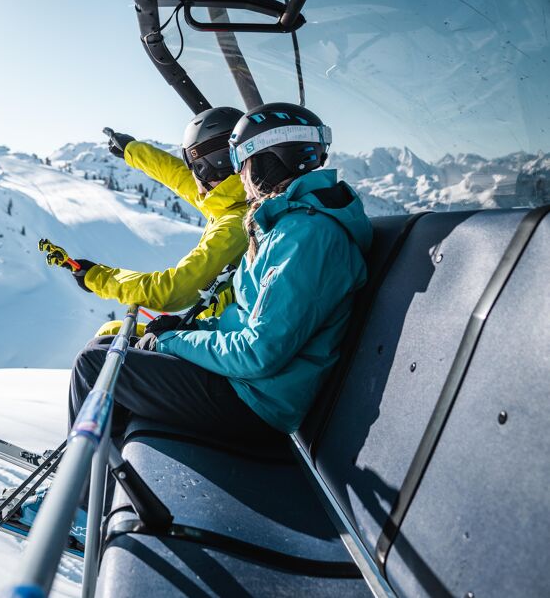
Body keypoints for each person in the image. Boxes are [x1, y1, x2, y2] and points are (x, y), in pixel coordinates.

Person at [69, 102, 373, 443]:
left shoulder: (306, 236)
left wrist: (172, 340)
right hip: (247, 384)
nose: (238, 175)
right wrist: (189, 328)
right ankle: (110, 477)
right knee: (113, 345)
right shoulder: (288, 223)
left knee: (96, 363)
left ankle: (80, 492)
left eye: (241, 162)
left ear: (268, 162)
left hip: (257, 401)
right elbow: (244, 320)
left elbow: (258, 353)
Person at [71, 107, 248, 335]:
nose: (195, 182)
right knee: (111, 330)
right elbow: (176, 176)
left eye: (196, 168)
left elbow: (172, 291)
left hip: (222, 340)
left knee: (108, 338)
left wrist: (98, 278)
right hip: (217, 328)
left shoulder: (236, 223)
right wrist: (132, 150)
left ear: (214, 166)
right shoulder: (230, 199)